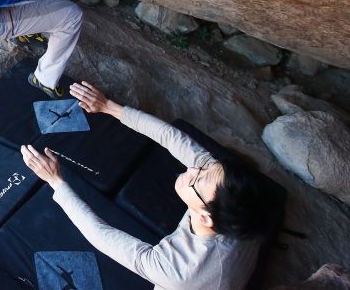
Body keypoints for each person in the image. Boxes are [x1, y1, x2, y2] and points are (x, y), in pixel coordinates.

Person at [21, 82, 273, 290]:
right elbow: (173, 137)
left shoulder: (179, 272)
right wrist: (109, 107)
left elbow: (100, 234)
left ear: (206, 218)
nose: (193, 169)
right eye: (203, 168)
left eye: (197, 179)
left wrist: (56, 181)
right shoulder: (234, 197)